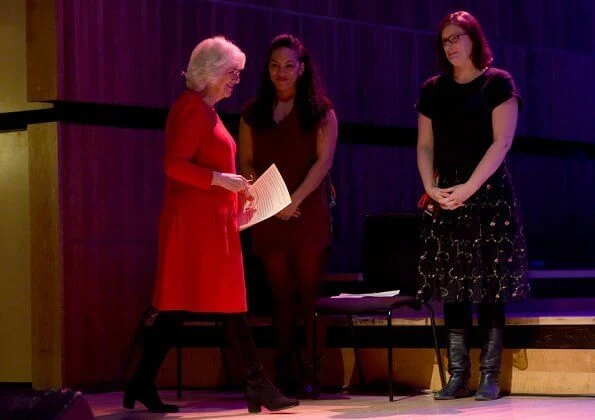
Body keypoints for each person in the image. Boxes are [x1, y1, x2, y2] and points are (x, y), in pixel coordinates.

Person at [123, 36, 298, 414]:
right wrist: (224, 180)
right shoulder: (192, 109)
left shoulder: (207, 110)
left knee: (177, 306)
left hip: (207, 224)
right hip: (194, 228)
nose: (237, 80)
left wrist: (239, 190)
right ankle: (258, 385)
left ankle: (140, 381)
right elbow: (174, 165)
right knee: (226, 303)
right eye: (232, 73)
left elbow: (206, 168)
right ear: (212, 71)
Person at [416, 11, 530, 401]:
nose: (450, 46)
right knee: (453, 288)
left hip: (488, 195)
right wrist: (431, 187)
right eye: (445, 40)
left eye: (457, 37)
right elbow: (425, 144)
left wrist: (469, 187)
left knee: (489, 288)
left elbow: (502, 143)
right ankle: (457, 375)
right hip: (447, 195)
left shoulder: (497, 83)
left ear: (474, 39)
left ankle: (489, 376)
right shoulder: (433, 89)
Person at [238, 34, 338, 394]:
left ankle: (313, 370)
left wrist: (294, 200)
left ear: (302, 68)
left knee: (308, 292)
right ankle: (285, 371)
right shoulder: (253, 112)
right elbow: (246, 161)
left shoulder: (321, 111)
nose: (281, 72)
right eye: (274, 66)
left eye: (289, 65)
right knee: (279, 295)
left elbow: (324, 162)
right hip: (267, 213)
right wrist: (265, 197)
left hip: (306, 211)